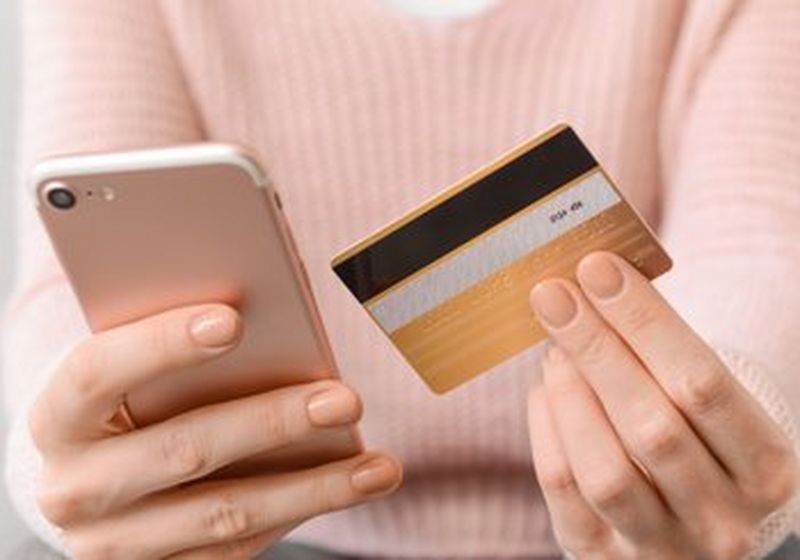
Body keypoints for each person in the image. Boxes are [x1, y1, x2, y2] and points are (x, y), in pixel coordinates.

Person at [3, 1, 800, 558]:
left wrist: (729, 447)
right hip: (254, 532)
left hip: (650, 536)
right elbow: (71, 279)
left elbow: (760, 245)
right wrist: (69, 463)